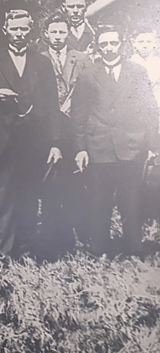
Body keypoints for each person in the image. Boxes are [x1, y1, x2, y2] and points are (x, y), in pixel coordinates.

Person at [0, 10, 63, 259]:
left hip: (35, 140)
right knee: (3, 195)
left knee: (30, 195)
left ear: (31, 31)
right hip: (2, 139)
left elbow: (52, 105)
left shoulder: (41, 62)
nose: (19, 34)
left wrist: (55, 143)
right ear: (5, 30)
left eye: (24, 29)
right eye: (14, 29)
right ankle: (2, 250)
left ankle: (26, 247)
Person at [71, 23, 159, 258]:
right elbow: (78, 114)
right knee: (100, 200)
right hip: (99, 145)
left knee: (131, 199)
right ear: (98, 46)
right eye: (104, 44)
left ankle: (133, 249)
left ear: (122, 43)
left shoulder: (137, 71)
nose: (109, 48)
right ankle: (99, 248)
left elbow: (149, 109)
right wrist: (80, 149)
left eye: (113, 43)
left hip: (131, 145)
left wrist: (152, 145)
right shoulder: (88, 73)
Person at [38, 11, 91, 257]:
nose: (58, 37)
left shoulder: (81, 58)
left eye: (62, 32)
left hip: (75, 128)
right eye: (53, 32)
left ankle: (80, 236)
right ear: (45, 34)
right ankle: (52, 236)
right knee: (49, 182)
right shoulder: (37, 59)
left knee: (77, 184)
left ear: (68, 33)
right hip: (49, 129)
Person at [130, 26, 160, 110]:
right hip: (135, 107)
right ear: (133, 43)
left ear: (155, 43)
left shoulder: (158, 63)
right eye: (141, 42)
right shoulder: (129, 64)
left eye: (149, 42)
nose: (145, 46)